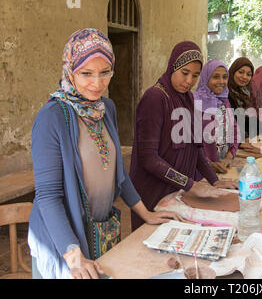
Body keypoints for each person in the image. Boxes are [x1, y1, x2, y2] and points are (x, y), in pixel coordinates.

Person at [28, 28, 182, 279]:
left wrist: (146, 213)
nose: (97, 83)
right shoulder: (52, 118)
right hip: (62, 242)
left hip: (98, 230)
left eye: (105, 73)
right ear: (70, 70)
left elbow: (118, 173)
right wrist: (74, 257)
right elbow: (48, 197)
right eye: (86, 73)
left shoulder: (104, 108)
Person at [129, 41, 236, 231]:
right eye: (185, 73)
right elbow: (148, 158)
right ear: (172, 67)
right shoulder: (155, 98)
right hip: (153, 191)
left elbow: (196, 149)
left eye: (195, 76)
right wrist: (190, 184)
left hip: (176, 190)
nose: (189, 81)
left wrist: (214, 180)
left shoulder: (187, 99)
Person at [193, 59, 240, 174]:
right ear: (206, 77)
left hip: (224, 164)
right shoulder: (195, 102)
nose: (221, 81)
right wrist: (208, 164)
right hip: (201, 170)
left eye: (224, 77)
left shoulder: (225, 101)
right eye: (216, 77)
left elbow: (234, 129)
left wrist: (230, 155)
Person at [227, 57, 255, 139]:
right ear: (233, 72)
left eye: (248, 74)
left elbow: (244, 120)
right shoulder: (225, 94)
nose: (244, 77)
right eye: (241, 72)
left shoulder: (244, 93)